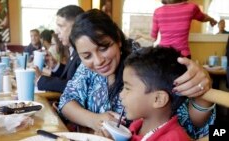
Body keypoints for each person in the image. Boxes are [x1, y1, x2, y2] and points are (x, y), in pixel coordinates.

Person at [58, 9, 215, 139]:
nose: (98, 61)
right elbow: (66, 101)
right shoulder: (86, 69)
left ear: (118, 40)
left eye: (104, 48)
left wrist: (202, 91)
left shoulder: (142, 66)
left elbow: (188, 122)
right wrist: (95, 120)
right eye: (86, 56)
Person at [34, 5, 83, 93]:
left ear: (77, 26)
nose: (56, 31)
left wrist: (41, 80)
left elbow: (78, 87)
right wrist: (55, 65)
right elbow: (70, 77)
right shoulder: (73, 49)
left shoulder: (85, 52)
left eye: (61, 26)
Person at [151, 0, 217, 58]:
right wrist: (212, 19)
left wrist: (142, 35)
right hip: (183, 56)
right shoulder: (191, 8)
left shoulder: (157, 11)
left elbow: (153, 38)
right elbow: (203, 18)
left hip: (163, 55)